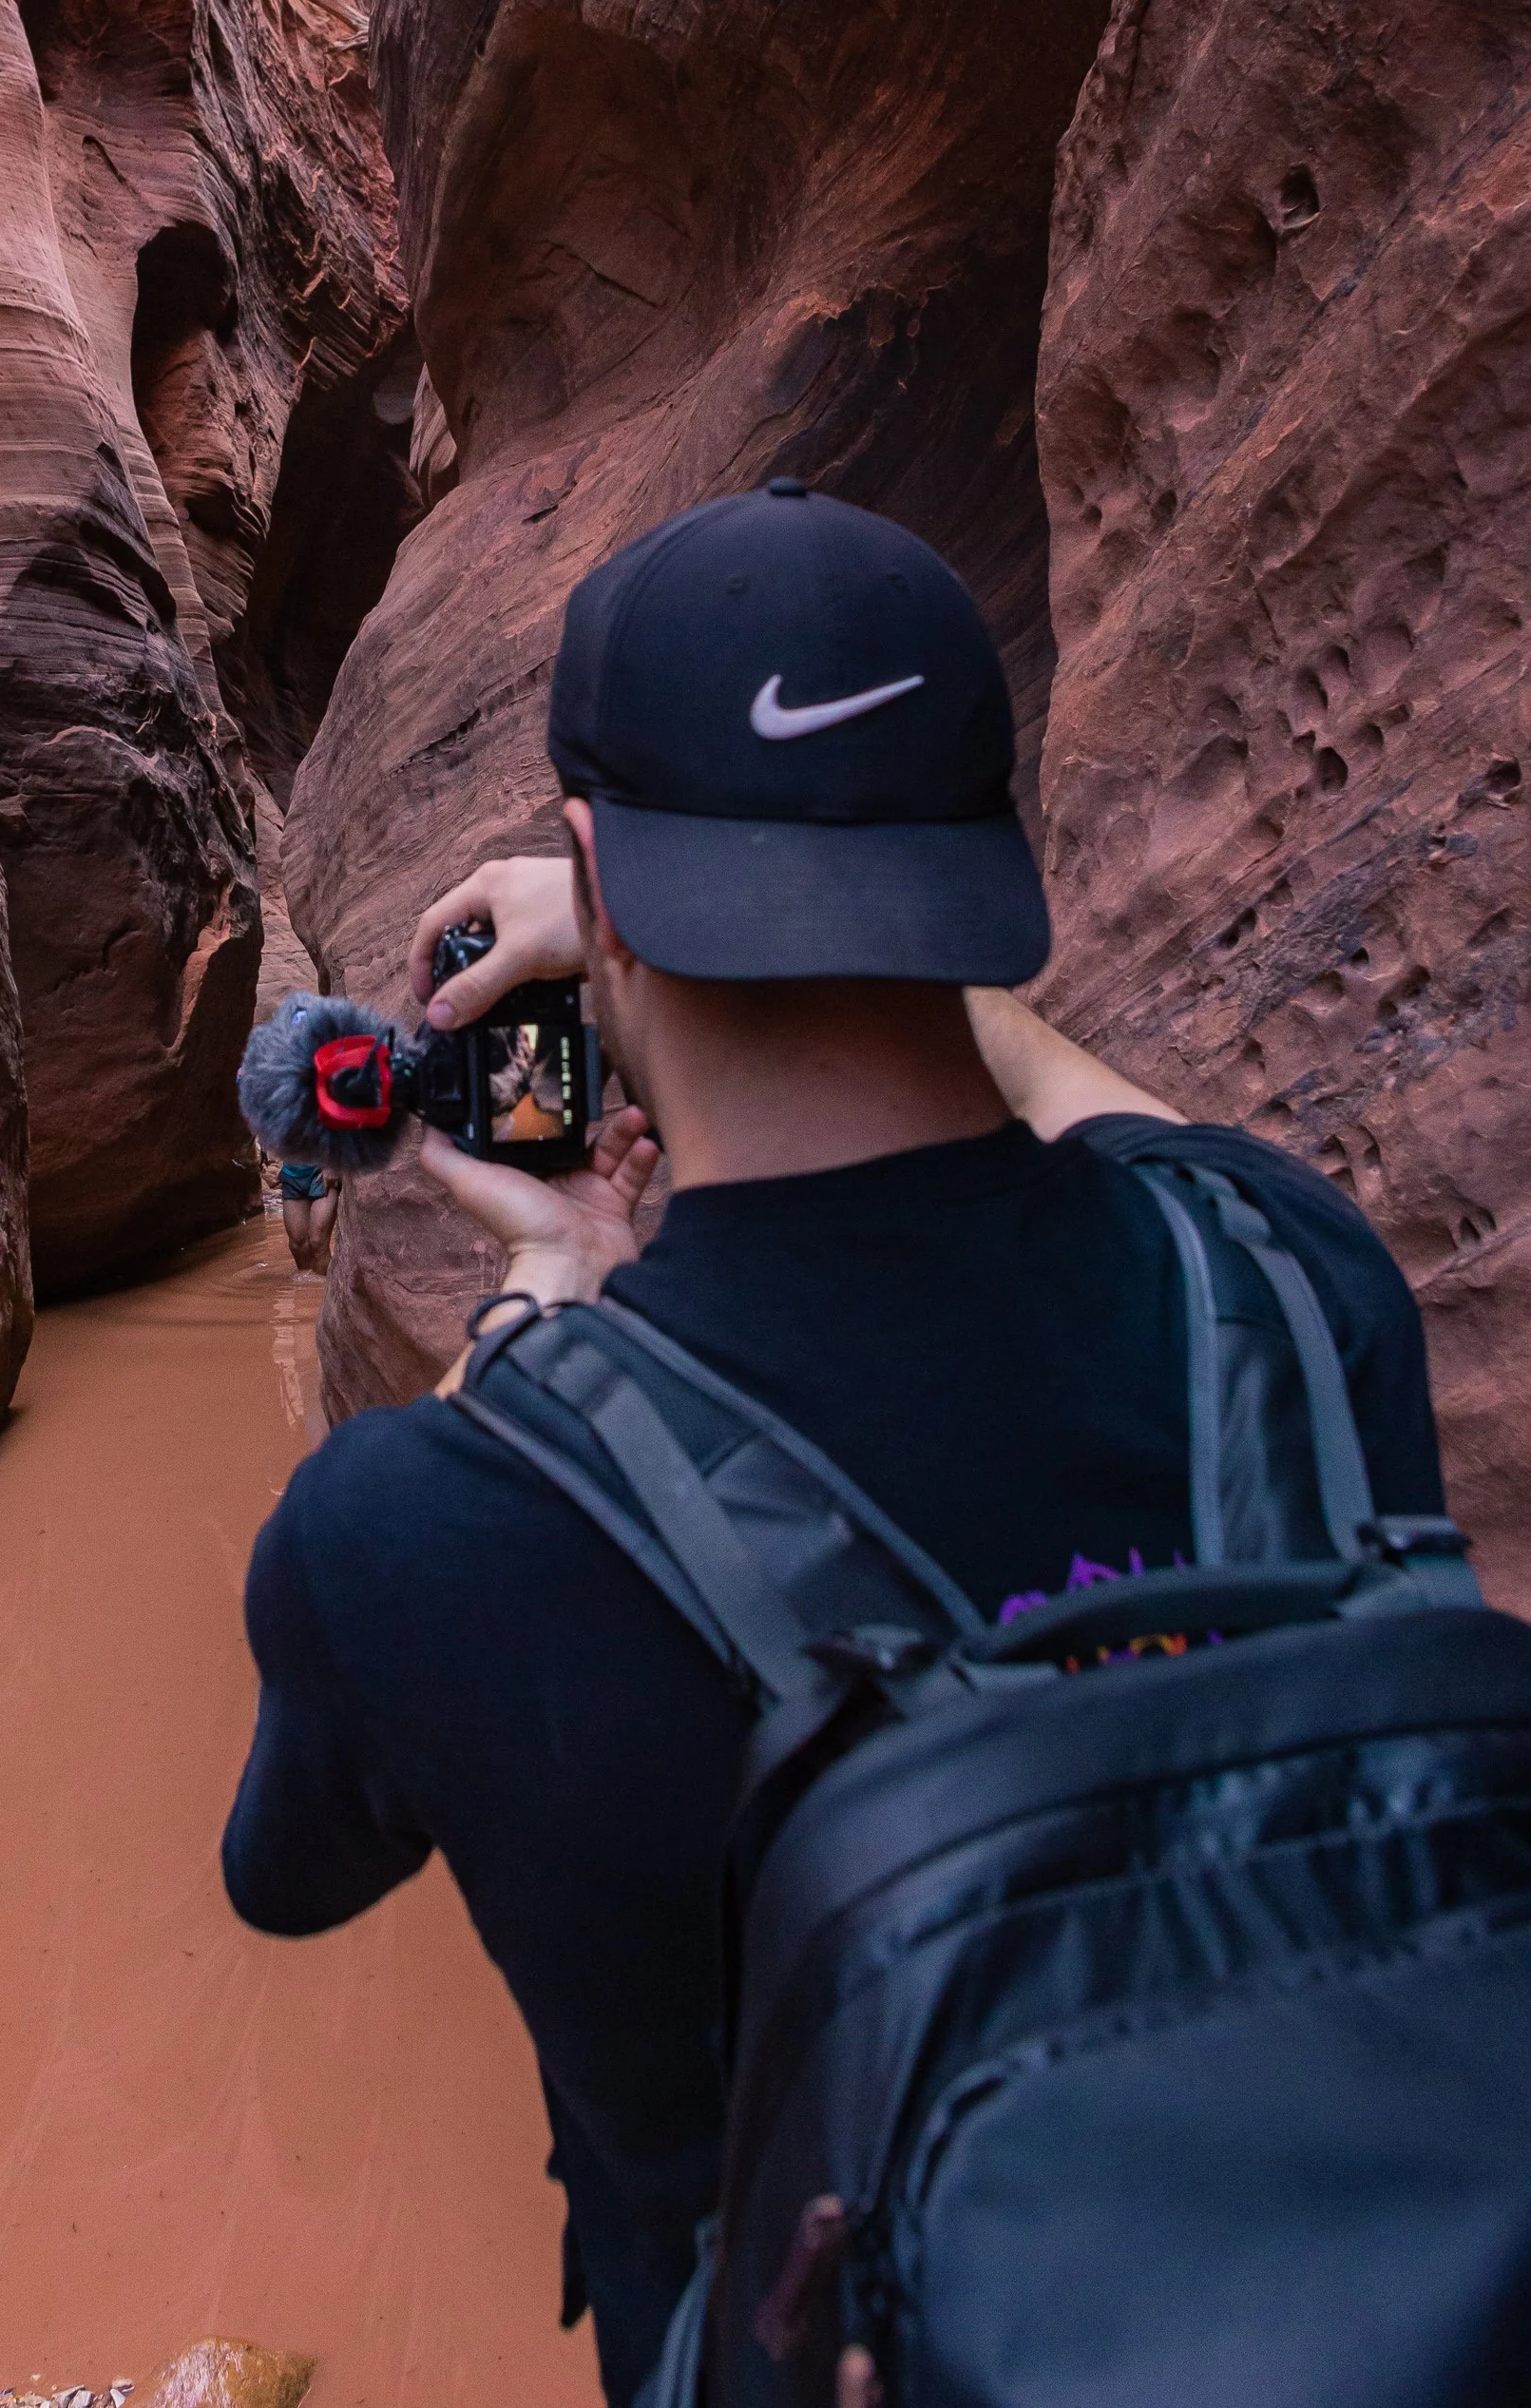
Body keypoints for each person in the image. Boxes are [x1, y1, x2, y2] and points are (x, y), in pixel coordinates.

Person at [219, 480, 1444, 2408]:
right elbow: (1135, 1143)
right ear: (977, 870)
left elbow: (278, 1875)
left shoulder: (413, 1533)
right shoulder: (1291, 1291)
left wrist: (546, 1288)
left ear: (592, 881)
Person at [276, 1156, 338, 1275]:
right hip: (292, 1173)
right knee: (298, 1246)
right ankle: (306, 1289)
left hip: (322, 1170)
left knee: (318, 1242)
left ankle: (326, 1288)